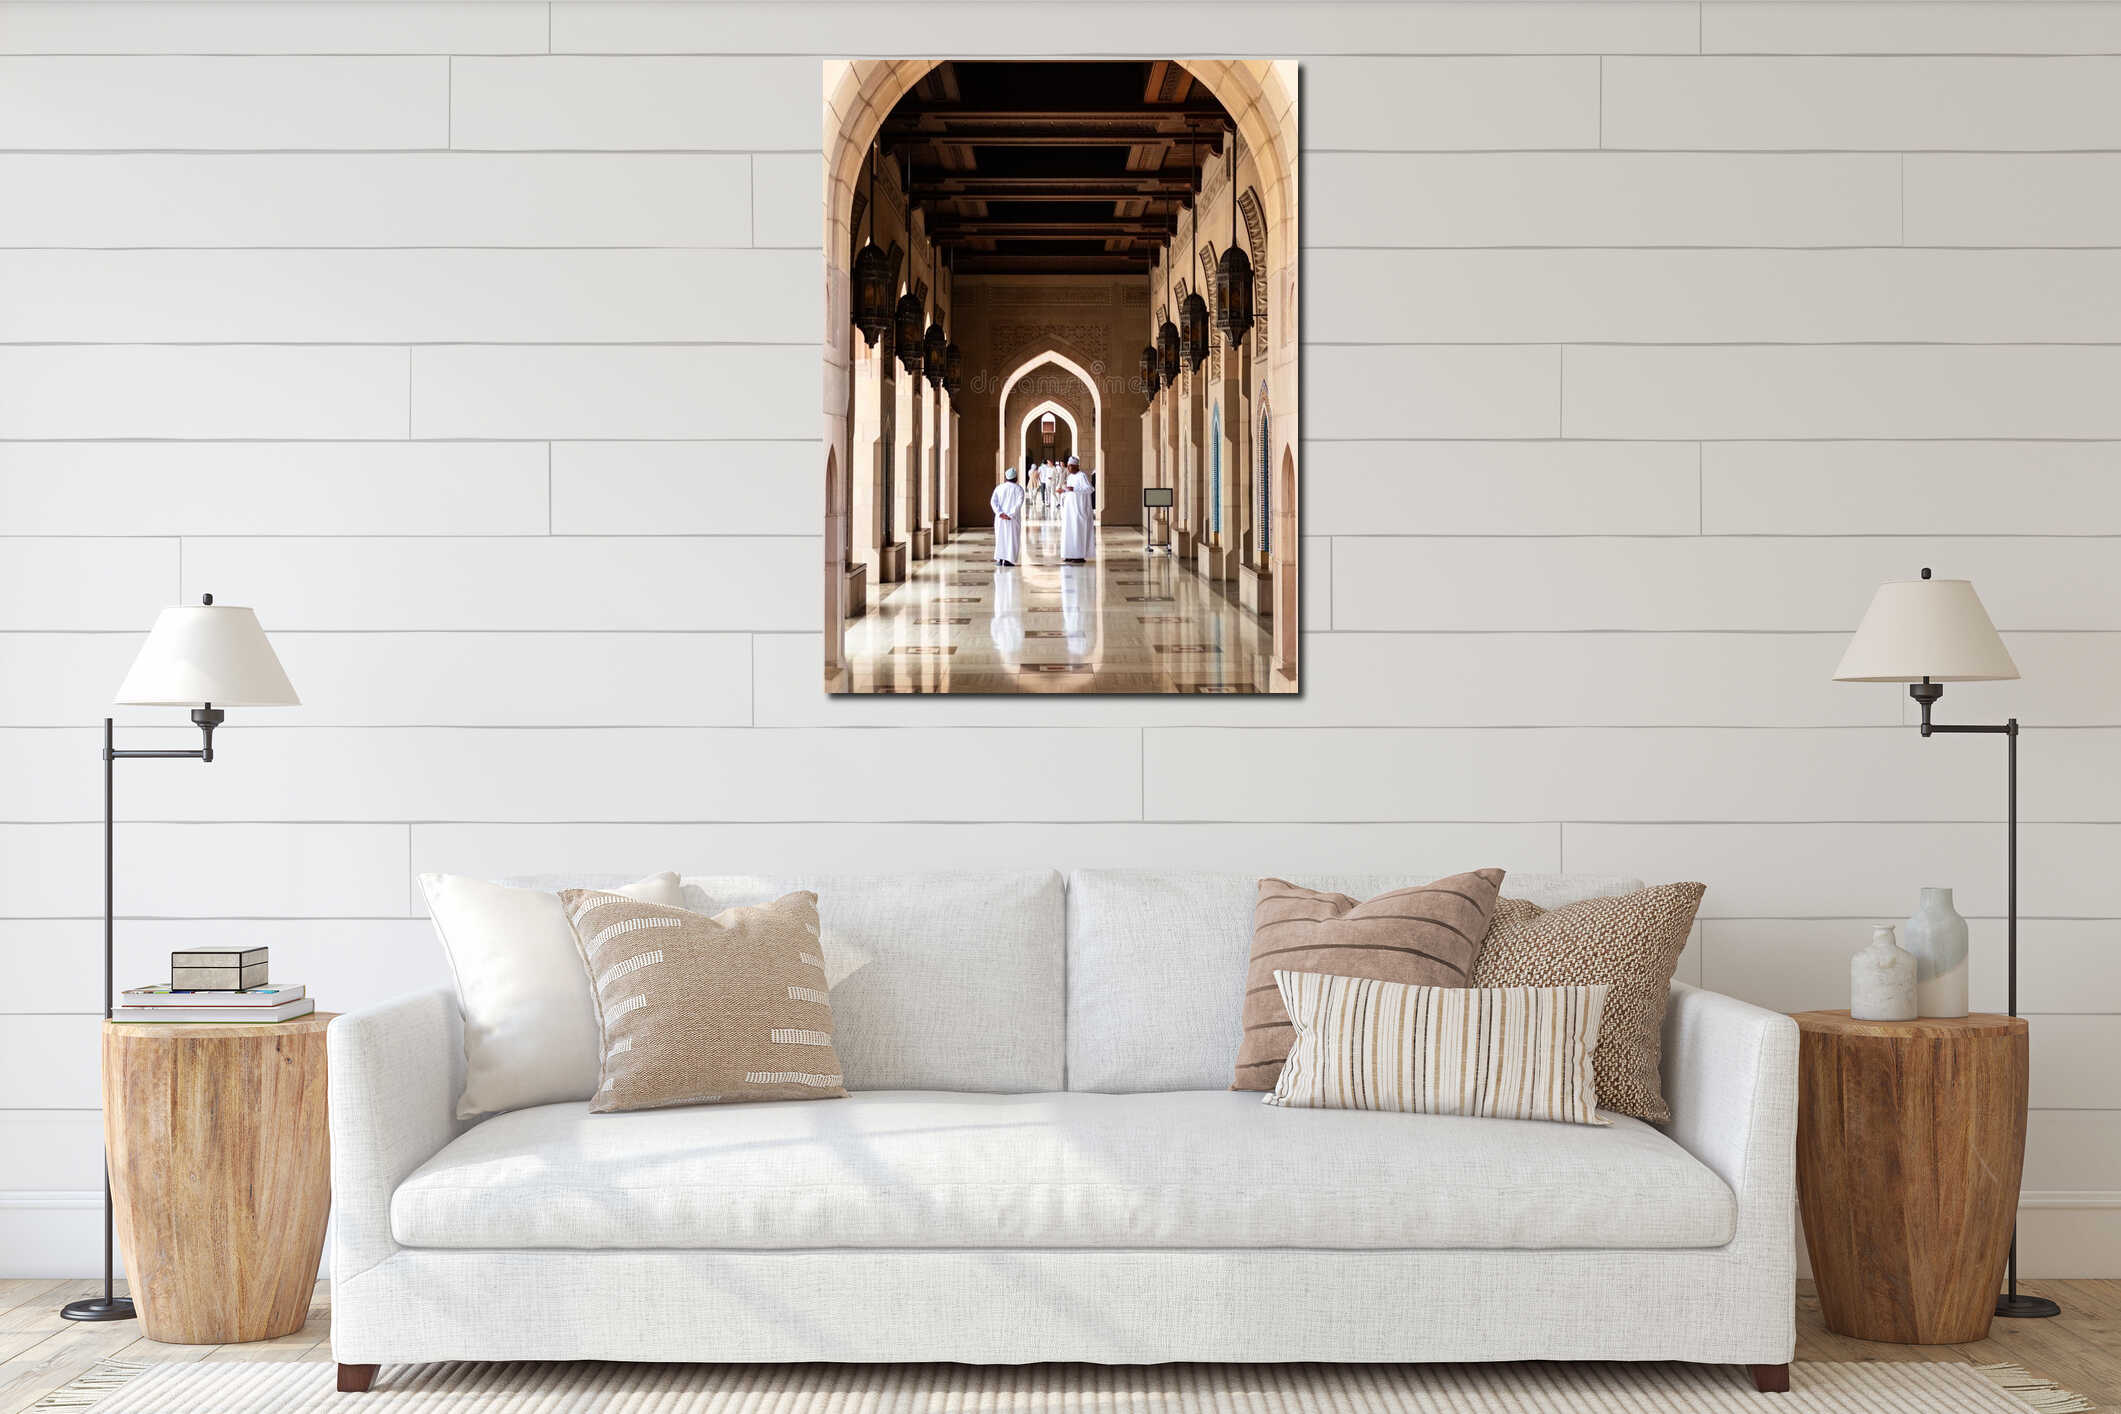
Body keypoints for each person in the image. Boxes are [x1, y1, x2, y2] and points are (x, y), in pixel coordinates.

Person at [1059, 455, 1095, 563]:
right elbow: (1070, 491)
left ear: (1075, 466)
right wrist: (1064, 491)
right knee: (1069, 532)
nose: (1068, 468)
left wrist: (1074, 488)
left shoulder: (1082, 476)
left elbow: (1089, 489)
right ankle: (1069, 554)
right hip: (1070, 510)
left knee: (1078, 531)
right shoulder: (1070, 477)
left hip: (1079, 510)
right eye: (1068, 466)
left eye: (1070, 466)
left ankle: (1079, 556)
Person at [990, 467, 1026, 566]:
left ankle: (1000, 559)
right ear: (1016, 478)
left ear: (1006, 478)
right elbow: (1019, 504)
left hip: (1000, 518)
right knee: (1012, 539)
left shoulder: (999, 488)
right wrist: (1010, 514)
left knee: (1000, 538)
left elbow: (993, 501)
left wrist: (1000, 513)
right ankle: (1009, 560)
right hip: (1012, 519)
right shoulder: (1019, 489)